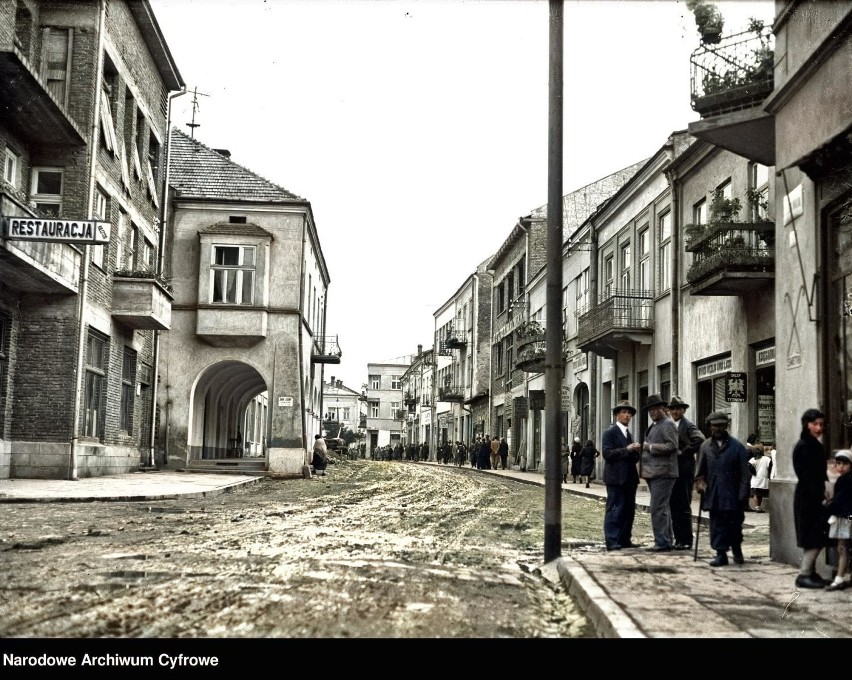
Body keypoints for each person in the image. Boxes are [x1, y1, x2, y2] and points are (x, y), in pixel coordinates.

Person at [694, 411, 749, 566]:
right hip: (714, 494)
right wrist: (700, 484)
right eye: (714, 426)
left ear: (727, 426)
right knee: (717, 525)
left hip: (733, 494)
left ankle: (737, 549)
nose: (718, 429)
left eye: (721, 425)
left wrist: (743, 495)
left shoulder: (737, 447)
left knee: (735, 524)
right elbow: (699, 473)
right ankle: (720, 554)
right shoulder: (705, 447)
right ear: (710, 427)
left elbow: (745, 474)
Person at [793, 408, 831, 589]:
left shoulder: (813, 445)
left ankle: (811, 573)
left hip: (812, 495)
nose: (818, 428)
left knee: (814, 536)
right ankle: (804, 574)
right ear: (806, 424)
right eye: (815, 424)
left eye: (821, 424)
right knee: (815, 537)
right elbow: (808, 477)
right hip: (809, 498)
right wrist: (820, 497)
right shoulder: (805, 446)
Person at [640, 394, 679, 552]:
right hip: (654, 473)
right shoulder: (654, 426)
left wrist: (649, 447)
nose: (652, 412)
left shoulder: (668, 424)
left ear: (663, 409)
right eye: (650, 410)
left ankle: (662, 542)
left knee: (657, 508)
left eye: (655, 409)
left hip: (664, 472)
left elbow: (672, 446)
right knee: (662, 508)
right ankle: (666, 540)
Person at [602, 401, 642, 551]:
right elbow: (607, 454)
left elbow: (632, 458)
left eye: (629, 413)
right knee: (614, 509)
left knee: (628, 510)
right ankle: (612, 541)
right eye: (624, 412)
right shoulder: (610, 433)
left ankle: (625, 539)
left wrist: (635, 452)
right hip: (615, 479)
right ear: (617, 415)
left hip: (629, 479)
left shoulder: (628, 434)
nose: (627, 415)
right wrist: (627, 449)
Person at [667, 396, 705, 551]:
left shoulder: (687, 425)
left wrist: (683, 453)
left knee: (683, 505)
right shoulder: (669, 424)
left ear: (683, 410)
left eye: (678, 408)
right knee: (673, 506)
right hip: (671, 470)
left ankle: (686, 540)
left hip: (684, 470)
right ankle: (678, 539)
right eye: (672, 409)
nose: (675, 411)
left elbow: (700, 439)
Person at [824, 449, 852, 590]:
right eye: (838, 463)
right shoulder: (845, 479)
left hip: (844, 519)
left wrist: (828, 507)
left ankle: (839, 579)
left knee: (842, 548)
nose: (840, 467)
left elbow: (839, 501)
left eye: (845, 464)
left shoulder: (844, 480)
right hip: (846, 517)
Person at [748, 444, 772, 512]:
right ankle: (758, 506)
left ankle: (757, 507)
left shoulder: (752, 459)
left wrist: (753, 472)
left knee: (755, 494)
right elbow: (770, 468)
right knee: (760, 494)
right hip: (763, 479)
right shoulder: (767, 459)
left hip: (755, 479)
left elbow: (749, 467)